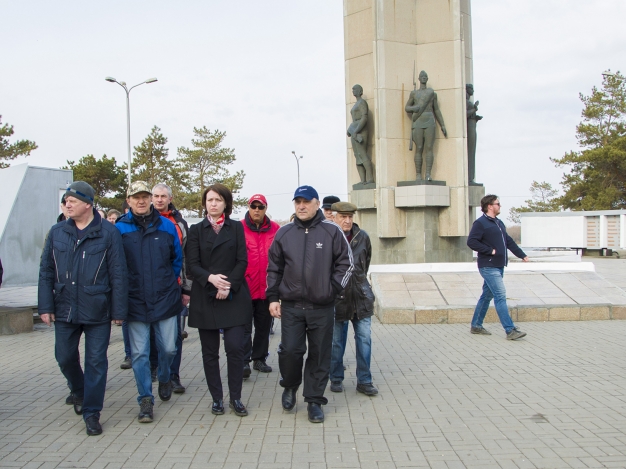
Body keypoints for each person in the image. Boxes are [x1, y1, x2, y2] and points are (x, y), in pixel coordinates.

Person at [38, 181, 128, 436]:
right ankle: (78, 390)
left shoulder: (108, 233)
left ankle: (91, 412)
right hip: (65, 307)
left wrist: (119, 311)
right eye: (66, 200)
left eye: (72, 200)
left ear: (88, 204)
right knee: (64, 356)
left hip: (97, 308)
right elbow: (45, 271)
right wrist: (45, 306)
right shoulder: (57, 232)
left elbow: (118, 274)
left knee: (96, 362)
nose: (67, 204)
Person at [267, 185, 353, 423]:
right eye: (297, 202)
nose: (301, 206)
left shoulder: (331, 231)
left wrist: (331, 289)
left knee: (319, 354)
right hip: (292, 306)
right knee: (291, 351)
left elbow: (346, 264)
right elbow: (274, 268)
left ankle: (314, 400)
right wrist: (273, 297)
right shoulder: (284, 234)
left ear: (317, 204)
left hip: (321, 307)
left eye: (306, 202)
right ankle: (290, 386)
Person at [115, 181, 183, 423]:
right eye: (136, 197)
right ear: (129, 200)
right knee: (140, 354)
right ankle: (145, 398)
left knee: (169, 348)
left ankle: (164, 376)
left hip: (164, 298)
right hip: (134, 301)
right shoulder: (119, 229)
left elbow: (177, 259)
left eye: (145, 196)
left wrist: (168, 283)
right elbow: (116, 266)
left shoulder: (166, 225)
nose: (142, 201)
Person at [186, 184, 252, 417]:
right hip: (206, 296)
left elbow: (242, 261)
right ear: (204, 203)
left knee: (235, 348)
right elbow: (191, 265)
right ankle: (217, 398)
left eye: (218, 200)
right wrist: (212, 279)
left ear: (226, 203)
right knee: (209, 352)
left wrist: (228, 285)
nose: (213, 204)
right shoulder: (196, 230)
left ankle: (236, 397)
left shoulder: (235, 228)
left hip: (232, 296)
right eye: (209, 200)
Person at [329, 202, 378, 396]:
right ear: (335, 217)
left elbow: (365, 266)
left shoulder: (363, 237)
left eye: (350, 216)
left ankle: (365, 381)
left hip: (361, 297)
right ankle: (336, 378)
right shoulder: (329, 237)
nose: (347, 220)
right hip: (338, 298)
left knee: (364, 340)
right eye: (343, 217)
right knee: (336, 342)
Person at [467, 195, 528, 340]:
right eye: (498, 204)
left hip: (499, 265)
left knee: (487, 296)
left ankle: (476, 325)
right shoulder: (481, 223)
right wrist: (490, 250)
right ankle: (510, 330)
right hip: (488, 266)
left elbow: (509, 242)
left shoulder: (499, 223)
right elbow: (471, 242)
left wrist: (522, 255)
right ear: (490, 206)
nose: (500, 206)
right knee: (500, 296)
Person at [152, 183, 192, 393]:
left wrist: (187, 289)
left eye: (163, 196)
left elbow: (184, 259)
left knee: (175, 335)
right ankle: (154, 369)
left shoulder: (179, 223)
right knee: (150, 334)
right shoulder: (143, 221)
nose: (159, 200)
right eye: (156, 196)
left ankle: (173, 375)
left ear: (170, 198)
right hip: (147, 289)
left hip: (174, 288)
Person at [241, 194, 280, 377]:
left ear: (266, 208)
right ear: (249, 207)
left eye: (260, 206)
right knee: (244, 327)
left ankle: (259, 359)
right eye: (253, 206)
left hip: (267, 288)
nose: (257, 210)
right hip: (245, 288)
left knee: (264, 326)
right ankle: (243, 361)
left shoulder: (276, 229)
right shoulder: (238, 228)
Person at [405, 70, 447, 181]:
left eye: (425, 76)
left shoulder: (432, 93)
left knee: (429, 148)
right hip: (418, 121)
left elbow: (436, 110)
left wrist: (442, 125)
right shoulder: (414, 93)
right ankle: (418, 174)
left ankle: (428, 174)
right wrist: (415, 108)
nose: (424, 77)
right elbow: (407, 107)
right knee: (418, 148)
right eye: (422, 76)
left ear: (427, 78)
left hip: (429, 120)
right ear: (419, 79)